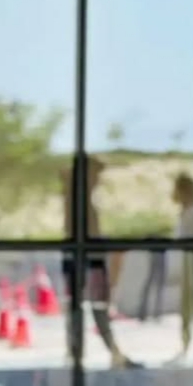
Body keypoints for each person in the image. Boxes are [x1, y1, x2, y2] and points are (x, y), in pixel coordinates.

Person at [61, 155, 141, 368]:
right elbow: (81, 233)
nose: (97, 179)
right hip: (87, 259)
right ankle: (87, 353)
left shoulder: (81, 200)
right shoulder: (77, 201)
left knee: (90, 307)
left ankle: (99, 352)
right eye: (94, 174)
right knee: (88, 307)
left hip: (88, 258)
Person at [166, 172, 193, 365]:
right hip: (187, 261)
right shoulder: (188, 212)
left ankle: (186, 345)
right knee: (188, 306)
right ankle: (185, 345)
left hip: (192, 261)